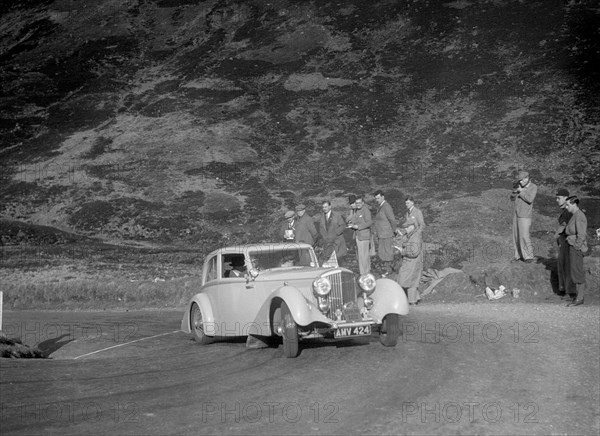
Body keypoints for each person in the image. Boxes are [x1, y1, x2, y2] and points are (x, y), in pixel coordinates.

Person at [396, 196, 425, 304]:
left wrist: (417, 233)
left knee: (408, 278)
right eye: (406, 203)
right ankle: (415, 299)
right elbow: (408, 227)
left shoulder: (417, 212)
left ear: (412, 202)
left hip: (413, 251)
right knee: (412, 278)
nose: (406, 205)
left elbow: (422, 225)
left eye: (408, 203)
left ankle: (411, 300)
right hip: (412, 245)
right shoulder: (408, 213)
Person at [563, 196, 588, 306]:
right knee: (574, 271)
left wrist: (577, 247)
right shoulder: (575, 215)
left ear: (574, 204)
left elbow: (581, 234)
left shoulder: (579, 216)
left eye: (568, 204)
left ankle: (580, 298)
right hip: (572, 245)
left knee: (577, 271)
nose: (566, 206)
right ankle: (578, 296)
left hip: (576, 247)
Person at [510, 170, 537, 263]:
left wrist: (521, 191)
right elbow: (512, 198)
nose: (520, 182)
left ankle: (528, 256)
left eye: (522, 180)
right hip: (516, 213)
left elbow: (530, 199)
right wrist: (514, 192)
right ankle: (518, 255)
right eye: (519, 180)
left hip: (525, 215)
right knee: (516, 235)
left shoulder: (533, 187)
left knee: (524, 235)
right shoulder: (519, 186)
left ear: (527, 178)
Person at [554, 188, 573, 299]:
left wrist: (558, 234)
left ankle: (570, 291)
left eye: (559, 198)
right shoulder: (565, 210)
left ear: (566, 198)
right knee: (561, 265)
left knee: (567, 266)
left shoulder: (569, 211)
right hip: (563, 240)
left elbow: (568, 226)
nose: (557, 200)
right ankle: (563, 289)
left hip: (567, 241)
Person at [373, 190, 396, 277]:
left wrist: (393, 231)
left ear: (383, 197)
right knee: (382, 252)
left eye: (378, 198)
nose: (377, 200)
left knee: (388, 252)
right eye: (376, 198)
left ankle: (389, 270)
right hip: (381, 234)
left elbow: (392, 220)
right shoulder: (380, 206)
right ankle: (386, 269)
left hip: (387, 234)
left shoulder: (386, 207)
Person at [347, 195, 372, 275]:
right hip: (358, 236)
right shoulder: (357, 211)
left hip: (364, 236)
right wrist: (351, 223)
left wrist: (358, 226)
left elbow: (369, 222)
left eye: (359, 203)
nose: (358, 204)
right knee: (361, 256)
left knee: (364, 256)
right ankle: (363, 273)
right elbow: (352, 219)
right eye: (356, 203)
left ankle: (366, 273)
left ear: (363, 203)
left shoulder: (366, 210)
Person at [316, 200, 347, 266]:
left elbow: (343, 225)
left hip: (337, 242)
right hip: (327, 243)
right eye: (323, 207)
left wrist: (336, 233)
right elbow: (321, 229)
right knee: (329, 262)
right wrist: (325, 237)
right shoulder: (321, 217)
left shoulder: (337, 215)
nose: (324, 209)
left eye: (326, 207)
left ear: (330, 207)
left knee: (339, 261)